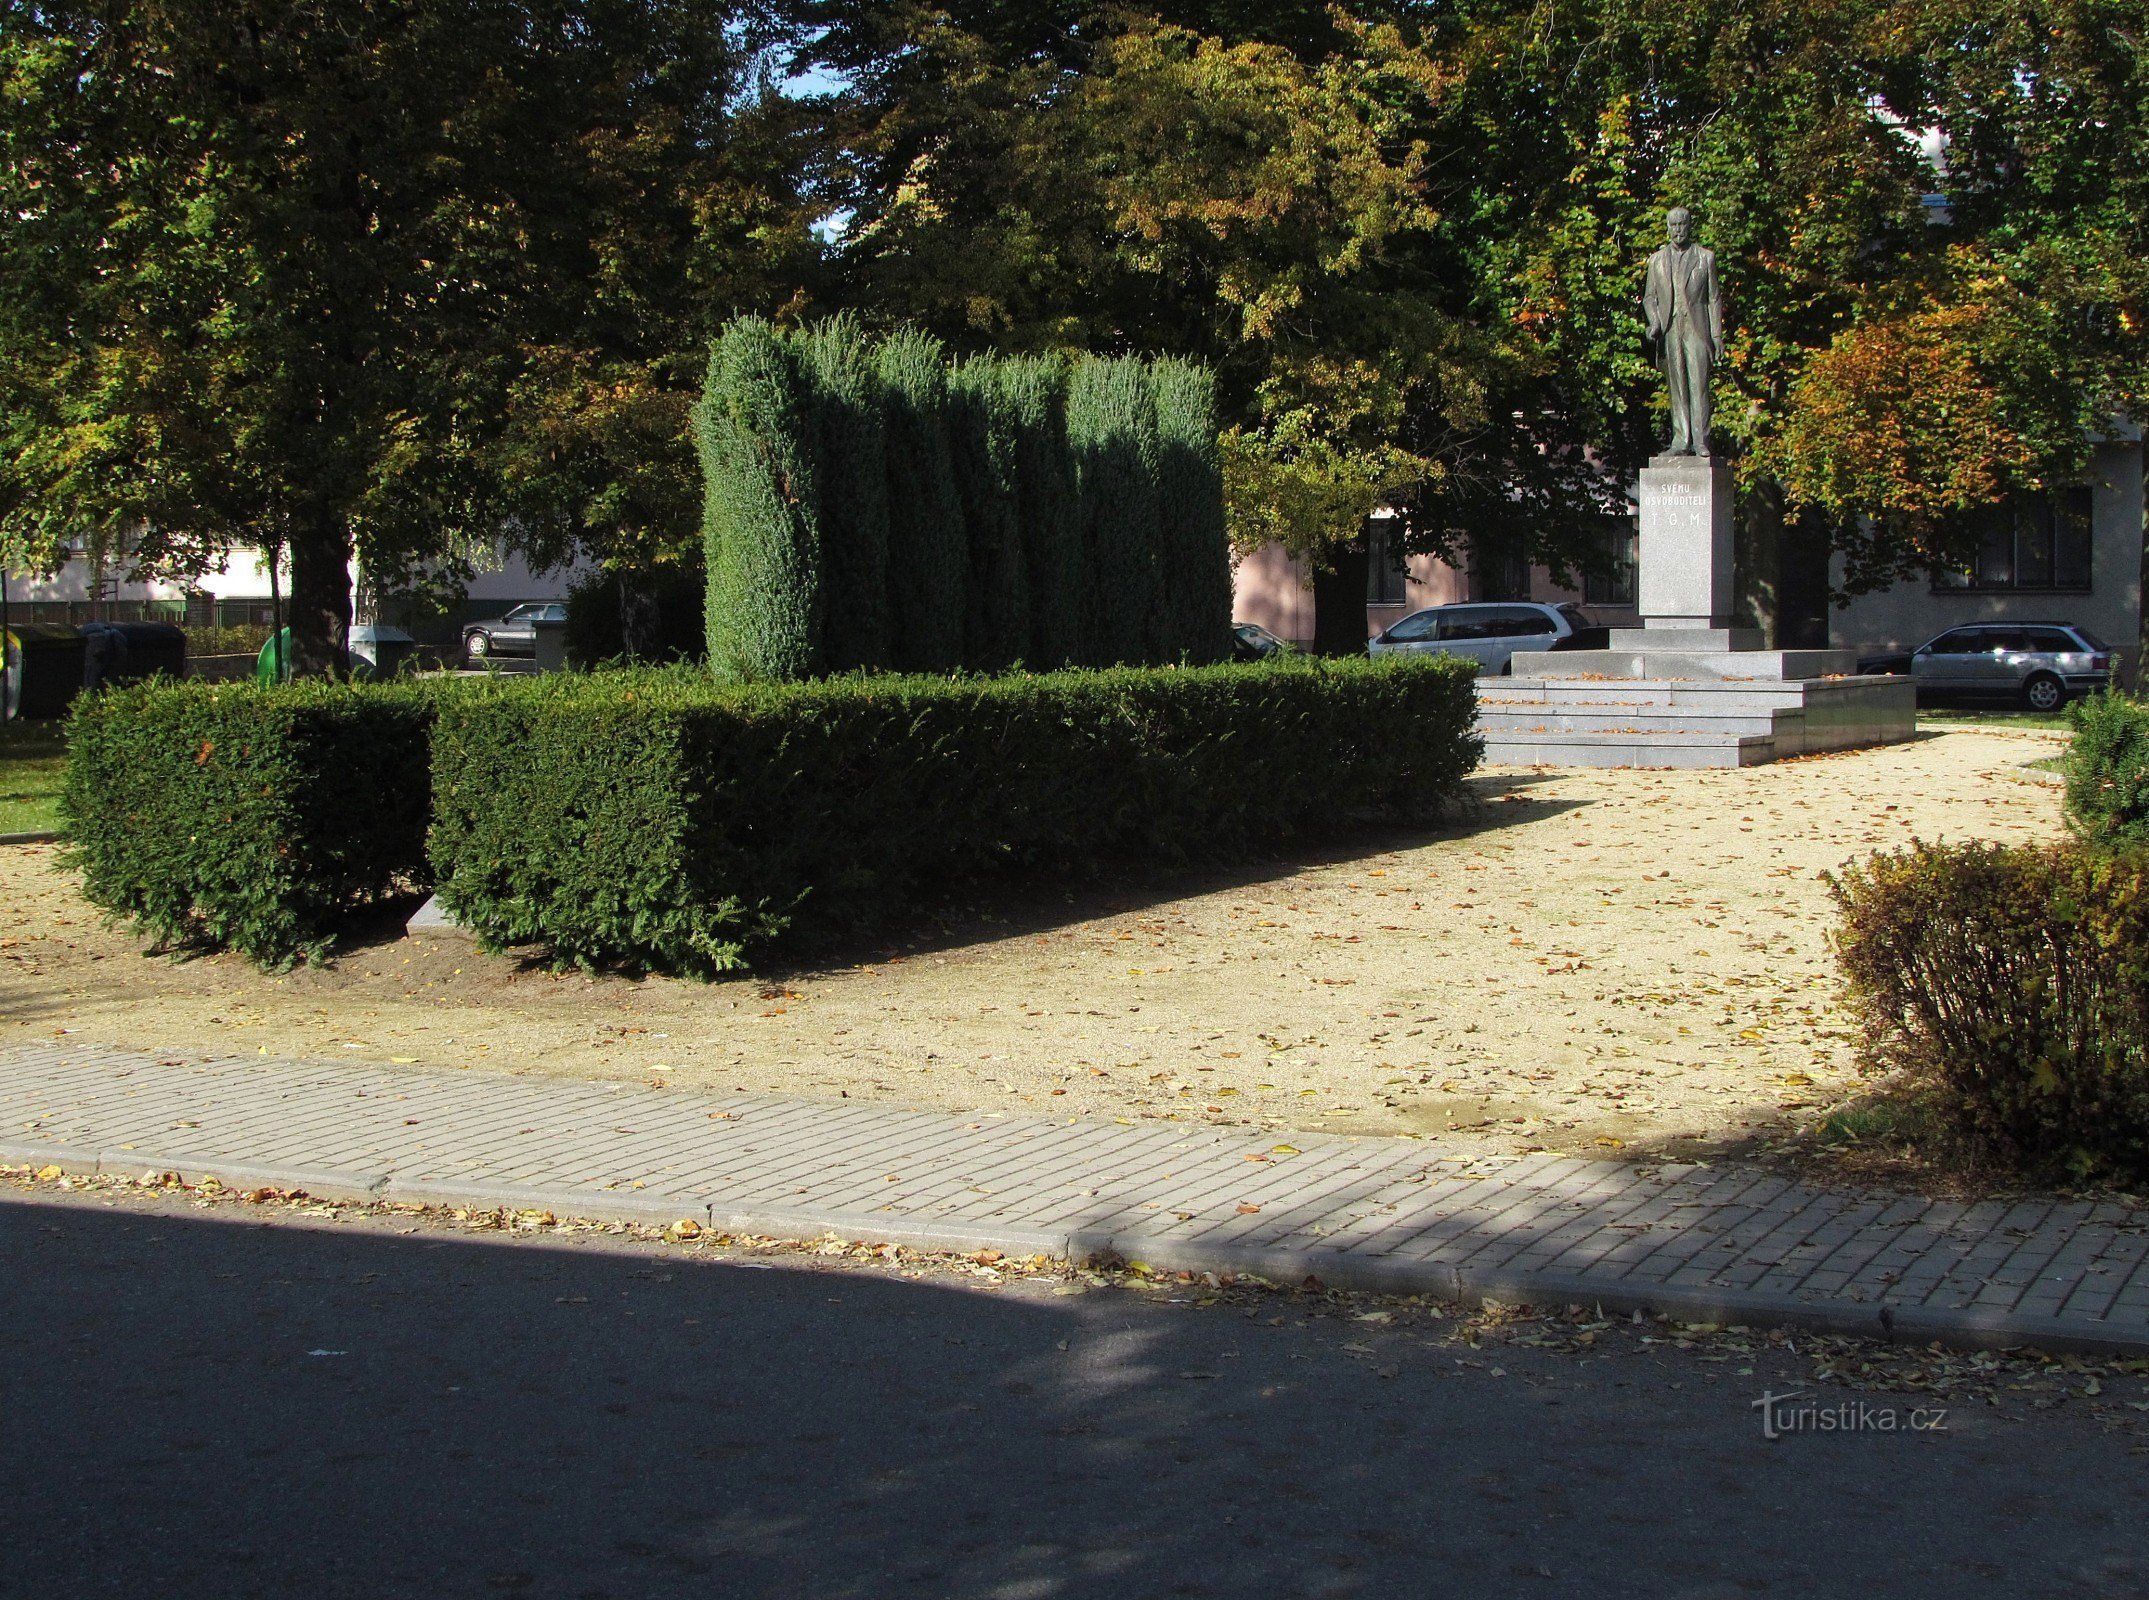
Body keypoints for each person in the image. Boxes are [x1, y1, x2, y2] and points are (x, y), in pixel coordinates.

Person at [1641, 207, 1723, 457]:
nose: (1678, 230)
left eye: (1682, 224)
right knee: (1677, 386)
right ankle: (1680, 439)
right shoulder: (1656, 260)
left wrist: (1717, 336)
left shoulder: (1705, 257)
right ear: (1668, 227)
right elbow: (1649, 298)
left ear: (1690, 226)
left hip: (1697, 329)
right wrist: (1654, 322)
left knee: (1698, 385)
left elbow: (1714, 298)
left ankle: (1700, 440)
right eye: (1673, 225)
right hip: (1670, 328)